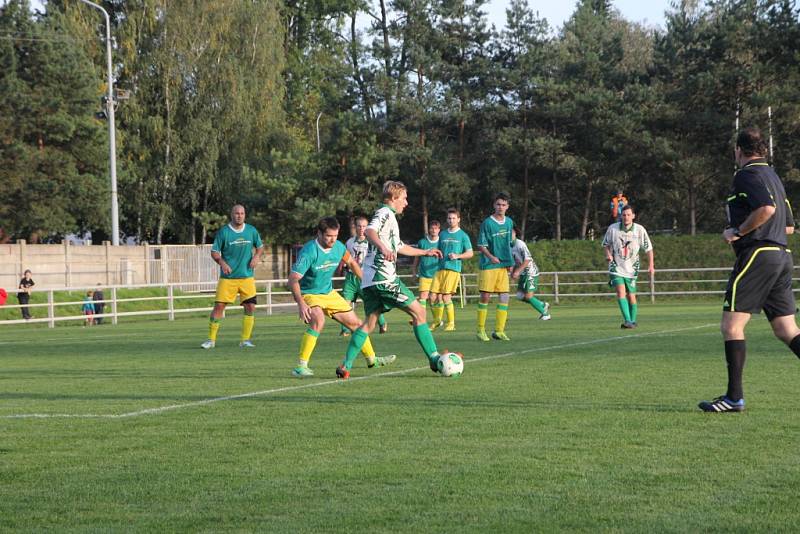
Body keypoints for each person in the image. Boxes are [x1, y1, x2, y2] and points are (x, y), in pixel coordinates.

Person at [699, 127, 800, 413]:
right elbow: (789, 225)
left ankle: (733, 398)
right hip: (781, 255)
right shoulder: (775, 178)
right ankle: (733, 397)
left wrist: (738, 232)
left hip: (759, 254)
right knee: (786, 328)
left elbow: (766, 210)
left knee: (731, 326)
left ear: (738, 151)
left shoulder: (746, 174)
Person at [336, 180, 445, 379]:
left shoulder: (391, 218)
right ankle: (434, 358)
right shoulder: (384, 213)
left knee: (369, 324)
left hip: (369, 282)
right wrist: (383, 248)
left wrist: (426, 252)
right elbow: (370, 231)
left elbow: (400, 246)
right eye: (404, 198)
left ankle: (346, 365)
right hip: (383, 278)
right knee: (419, 312)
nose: (406, 202)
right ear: (394, 198)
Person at [289, 216, 395, 378]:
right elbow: (293, 279)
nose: (332, 240)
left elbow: (352, 263)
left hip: (329, 293)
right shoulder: (309, 251)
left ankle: (372, 360)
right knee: (319, 321)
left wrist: (366, 282)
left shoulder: (338, 247)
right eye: (328, 236)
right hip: (310, 293)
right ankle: (301, 366)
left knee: (357, 324)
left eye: (335, 236)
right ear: (319, 233)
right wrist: (301, 304)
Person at [201, 204, 264, 349]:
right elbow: (215, 252)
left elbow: (260, 247)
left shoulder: (251, 231)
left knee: (250, 307)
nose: (239, 216)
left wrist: (256, 257)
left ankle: (245, 340)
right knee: (219, 307)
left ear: (245, 215)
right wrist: (222, 263)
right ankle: (211, 340)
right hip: (228, 279)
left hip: (247, 277)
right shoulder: (224, 232)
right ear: (232, 214)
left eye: (242, 213)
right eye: (237, 213)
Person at [602, 204, 654, 328]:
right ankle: (627, 321)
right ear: (621, 216)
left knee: (631, 296)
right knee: (621, 292)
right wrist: (608, 255)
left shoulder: (639, 230)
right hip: (616, 266)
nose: (626, 217)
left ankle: (632, 320)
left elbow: (649, 249)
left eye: (629, 215)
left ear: (633, 216)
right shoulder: (613, 229)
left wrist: (651, 265)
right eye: (624, 215)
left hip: (632, 268)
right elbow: (605, 244)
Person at [339, 216, 388, 336]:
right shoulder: (350, 242)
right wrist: (342, 266)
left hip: (364, 277)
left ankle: (382, 323)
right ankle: (345, 330)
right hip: (350, 278)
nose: (361, 228)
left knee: (370, 302)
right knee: (345, 303)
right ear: (355, 227)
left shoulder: (372, 242)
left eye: (364, 226)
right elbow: (346, 257)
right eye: (359, 226)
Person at [476, 193, 515, 341]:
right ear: (494, 205)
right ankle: (480, 330)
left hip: (503, 265)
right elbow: (480, 245)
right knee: (485, 296)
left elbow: (508, 244)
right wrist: (491, 257)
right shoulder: (487, 223)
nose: (501, 207)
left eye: (503, 205)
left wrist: (509, 263)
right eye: (498, 204)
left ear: (507, 206)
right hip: (489, 265)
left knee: (504, 296)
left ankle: (499, 330)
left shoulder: (509, 222)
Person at [430, 209, 473, 331]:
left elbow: (470, 253)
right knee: (432, 296)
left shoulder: (463, 235)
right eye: (449, 218)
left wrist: (458, 256)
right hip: (440, 269)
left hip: (453, 269)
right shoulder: (442, 234)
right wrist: (435, 253)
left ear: (458, 219)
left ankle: (451, 324)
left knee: (445, 297)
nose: (451, 220)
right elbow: (438, 250)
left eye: (454, 218)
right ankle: (437, 321)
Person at [510, 227, 551, 320]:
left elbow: (527, 259)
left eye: (511, 232)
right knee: (520, 296)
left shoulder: (520, 244)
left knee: (528, 296)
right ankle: (542, 304)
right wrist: (512, 272)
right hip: (523, 273)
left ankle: (545, 314)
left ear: (515, 233)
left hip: (530, 272)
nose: (509, 234)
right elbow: (513, 261)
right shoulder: (508, 246)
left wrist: (517, 271)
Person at [411, 219, 441, 320]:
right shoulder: (422, 242)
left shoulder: (442, 242)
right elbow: (417, 257)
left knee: (433, 299)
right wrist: (414, 271)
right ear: (429, 229)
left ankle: (437, 320)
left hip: (437, 275)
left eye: (436, 228)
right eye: (432, 228)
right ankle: (421, 318)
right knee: (423, 297)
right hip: (424, 274)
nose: (433, 230)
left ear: (439, 230)